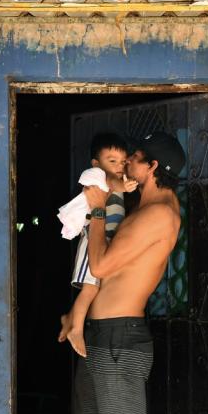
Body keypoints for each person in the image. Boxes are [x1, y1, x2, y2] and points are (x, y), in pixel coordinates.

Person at [74, 131, 185, 414]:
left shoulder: (158, 214)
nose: (128, 167)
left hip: (121, 338)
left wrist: (98, 206)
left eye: (135, 161)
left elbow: (100, 266)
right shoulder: (144, 209)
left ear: (153, 167)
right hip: (102, 334)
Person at [58, 133, 137, 358]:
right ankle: (76, 328)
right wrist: (122, 184)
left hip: (105, 240)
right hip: (92, 238)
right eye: (112, 161)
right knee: (91, 287)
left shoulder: (115, 180)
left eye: (122, 162)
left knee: (96, 286)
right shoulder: (95, 176)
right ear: (96, 163)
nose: (118, 166)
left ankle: (70, 318)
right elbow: (110, 181)